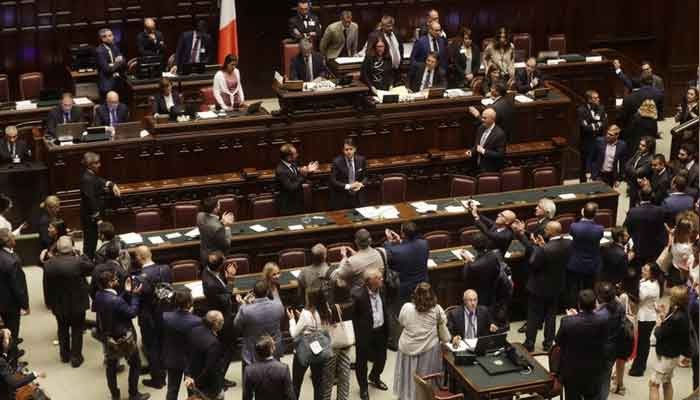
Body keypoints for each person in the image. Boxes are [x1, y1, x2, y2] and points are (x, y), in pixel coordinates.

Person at [513, 221, 571, 351]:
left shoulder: (544, 249)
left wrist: (537, 247)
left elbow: (533, 264)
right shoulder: (568, 243)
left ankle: (529, 343)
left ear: (551, 232)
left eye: (546, 229)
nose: (544, 231)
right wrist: (541, 246)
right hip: (556, 285)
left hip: (538, 287)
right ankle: (548, 343)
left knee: (533, 315)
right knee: (551, 315)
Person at [93, 271, 149, 400]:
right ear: (110, 283)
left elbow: (114, 305)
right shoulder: (116, 300)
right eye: (115, 279)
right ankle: (133, 394)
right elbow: (132, 312)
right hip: (124, 337)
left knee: (111, 367)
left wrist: (126, 292)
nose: (117, 281)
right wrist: (135, 296)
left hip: (108, 337)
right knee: (135, 364)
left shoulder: (99, 295)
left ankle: (115, 395)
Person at [393, 283, 451, 400]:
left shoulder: (406, 308)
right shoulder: (437, 310)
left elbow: (402, 322)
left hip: (407, 349)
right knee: (425, 380)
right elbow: (445, 333)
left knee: (407, 377)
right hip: (428, 352)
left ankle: (406, 396)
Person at [44, 236, 92, 367]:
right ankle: (76, 357)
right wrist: (81, 255)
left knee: (62, 329)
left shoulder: (49, 264)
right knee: (77, 329)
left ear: (57, 249)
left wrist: (49, 303)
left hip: (59, 303)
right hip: (78, 303)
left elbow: (47, 286)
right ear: (72, 248)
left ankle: (64, 356)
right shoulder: (79, 262)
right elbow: (91, 267)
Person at [556, 289, 608, 400]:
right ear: (595, 304)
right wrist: (577, 317)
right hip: (595, 370)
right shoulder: (603, 321)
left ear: (579, 304)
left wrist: (572, 317)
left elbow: (558, 341)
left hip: (572, 371)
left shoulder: (567, 322)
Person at [132, 246, 171, 389]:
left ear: (139, 258)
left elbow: (136, 301)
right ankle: (164, 370)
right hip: (164, 314)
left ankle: (158, 379)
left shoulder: (138, 278)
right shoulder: (165, 269)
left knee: (151, 347)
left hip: (148, 317)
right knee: (162, 343)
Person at [233, 280, 285, 381]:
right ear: (267, 292)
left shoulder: (246, 310)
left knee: (250, 383)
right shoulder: (278, 305)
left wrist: (243, 304)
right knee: (275, 381)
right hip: (273, 349)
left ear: (253, 293)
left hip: (252, 352)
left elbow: (236, 325)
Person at [201, 251, 237, 390]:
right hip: (222, 320)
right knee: (227, 349)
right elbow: (226, 300)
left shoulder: (207, 271)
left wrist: (226, 278)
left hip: (217, 312)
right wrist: (231, 280)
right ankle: (219, 379)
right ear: (220, 266)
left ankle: (219, 377)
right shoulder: (211, 284)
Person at [287, 286, 332, 400]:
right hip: (320, 351)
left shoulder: (305, 314)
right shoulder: (326, 311)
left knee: (296, 383)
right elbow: (321, 328)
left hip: (303, 351)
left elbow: (294, 334)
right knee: (318, 383)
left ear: (310, 299)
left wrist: (292, 320)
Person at [352, 268, 389, 400]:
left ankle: (374, 377)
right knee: (362, 362)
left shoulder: (383, 290)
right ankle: (363, 387)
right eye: (378, 278)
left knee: (382, 358)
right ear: (370, 281)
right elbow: (353, 317)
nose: (382, 279)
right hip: (365, 333)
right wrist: (357, 334)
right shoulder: (358, 295)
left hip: (381, 330)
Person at [649, 286, 691, 400]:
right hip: (673, 354)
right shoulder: (682, 312)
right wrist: (663, 314)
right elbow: (669, 329)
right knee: (667, 382)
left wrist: (658, 322)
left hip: (666, 356)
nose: (669, 297)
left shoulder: (676, 318)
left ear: (675, 299)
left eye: (671, 296)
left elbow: (659, 333)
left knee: (653, 384)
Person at [162, 289, 202, 400]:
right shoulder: (197, 321)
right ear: (189, 303)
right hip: (190, 360)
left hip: (173, 358)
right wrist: (190, 315)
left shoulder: (166, 317)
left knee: (172, 390)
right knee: (192, 391)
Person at [80, 152, 120, 259]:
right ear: (90, 165)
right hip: (90, 218)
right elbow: (90, 200)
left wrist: (111, 184)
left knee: (92, 241)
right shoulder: (86, 179)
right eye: (96, 163)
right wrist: (98, 219)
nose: (99, 165)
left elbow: (98, 180)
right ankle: (87, 264)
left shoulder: (90, 175)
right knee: (90, 244)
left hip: (93, 216)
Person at [565, 203, 604, 308]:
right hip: (592, 264)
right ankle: (588, 309)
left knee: (574, 289)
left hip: (576, 263)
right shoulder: (599, 229)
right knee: (589, 289)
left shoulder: (574, 226)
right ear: (595, 214)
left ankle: (573, 309)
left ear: (582, 212)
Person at [0, 229, 28, 368]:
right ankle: (13, 365)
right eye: (12, 236)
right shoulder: (11, 261)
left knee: (3, 332)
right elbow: (18, 287)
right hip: (10, 305)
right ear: (8, 241)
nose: (15, 237)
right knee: (12, 333)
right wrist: (25, 304)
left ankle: (12, 355)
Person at [383, 222, 429, 306]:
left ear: (403, 234)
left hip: (406, 289)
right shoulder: (424, 244)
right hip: (423, 284)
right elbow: (410, 247)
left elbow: (389, 255)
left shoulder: (396, 251)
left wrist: (389, 241)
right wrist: (401, 241)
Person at [628, 263, 662, 377]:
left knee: (642, 343)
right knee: (643, 342)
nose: (642, 270)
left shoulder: (648, 286)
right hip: (649, 316)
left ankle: (638, 368)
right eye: (643, 268)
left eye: (646, 270)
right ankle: (639, 365)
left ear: (652, 274)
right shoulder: (652, 282)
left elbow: (638, 298)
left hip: (646, 317)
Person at [184, 311, 225, 400]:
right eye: (221, 321)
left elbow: (186, 354)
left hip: (191, 381)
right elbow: (210, 369)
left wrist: (188, 375)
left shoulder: (193, 331)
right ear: (216, 324)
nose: (223, 323)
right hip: (207, 387)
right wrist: (196, 383)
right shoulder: (214, 343)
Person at [595, 281, 626, 400]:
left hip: (600, 349)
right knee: (606, 377)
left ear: (600, 297)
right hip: (614, 346)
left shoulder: (600, 314)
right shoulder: (620, 307)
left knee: (597, 379)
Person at [243, 335, 295, 400]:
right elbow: (290, 396)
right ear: (272, 349)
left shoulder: (249, 370)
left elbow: (247, 396)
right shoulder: (283, 369)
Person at [624, 189, 667, 266]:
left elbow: (627, 228)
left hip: (638, 246)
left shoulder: (633, 211)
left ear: (640, 196)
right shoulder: (660, 211)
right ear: (652, 196)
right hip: (655, 246)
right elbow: (661, 227)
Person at [0, 328, 45, 399]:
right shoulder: (1, 362)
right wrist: (35, 374)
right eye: (7, 338)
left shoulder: (3, 356)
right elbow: (15, 383)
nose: (9, 340)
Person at [275, 143, 319, 215]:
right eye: (295, 154)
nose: (297, 155)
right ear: (288, 157)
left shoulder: (293, 164)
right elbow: (291, 187)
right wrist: (304, 174)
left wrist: (308, 171)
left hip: (298, 204)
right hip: (288, 207)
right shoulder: (281, 170)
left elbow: (299, 179)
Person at [460, 232, 501, 308]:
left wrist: (467, 262)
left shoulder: (472, 267)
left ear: (473, 246)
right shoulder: (494, 256)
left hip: (478, 299)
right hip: (493, 295)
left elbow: (465, 278)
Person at [329, 138, 368, 210]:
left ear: (355, 149)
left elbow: (366, 177)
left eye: (351, 149)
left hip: (358, 197)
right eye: (346, 149)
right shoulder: (336, 162)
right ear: (343, 150)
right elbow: (333, 181)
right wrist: (349, 186)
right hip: (342, 198)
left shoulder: (361, 160)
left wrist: (360, 184)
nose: (349, 152)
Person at [577, 90, 608, 181]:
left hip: (599, 140)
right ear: (589, 100)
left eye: (598, 97)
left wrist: (593, 125)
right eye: (595, 98)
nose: (598, 99)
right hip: (586, 142)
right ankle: (583, 183)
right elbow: (585, 127)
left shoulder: (601, 108)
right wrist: (598, 124)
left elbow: (605, 123)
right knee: (584, 165)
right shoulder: (581, 110)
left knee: (598, 162)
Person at [464, 107, 506, 172]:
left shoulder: (499, 134)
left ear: (492, 119)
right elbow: (477, 145)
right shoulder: (481, 128)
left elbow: (500, 154)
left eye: (485, 118)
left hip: (490, 170)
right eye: (482, 117)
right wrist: (471, 151)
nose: (482, 119)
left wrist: (484, 151)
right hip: (477, 166)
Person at [196, 196, 234, 264]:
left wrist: (221, 222)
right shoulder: (218, 227)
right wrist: (227, 226)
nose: (220, 206)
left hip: (204, 254)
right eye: (219, 205)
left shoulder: (199, 216)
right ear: (215, 209)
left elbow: (210, 226)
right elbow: (226, 244)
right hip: (215, 259)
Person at [365, 16, 403, 80]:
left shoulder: (397, 34)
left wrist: (400, 64)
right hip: (383, 72)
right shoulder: (375, 36)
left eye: (392, 26)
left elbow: (401, 50)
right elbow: (369, 54)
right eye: (388, 26)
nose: (391, 28)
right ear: (382, 26)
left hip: (397, 71)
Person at [624, 136, 655, 207]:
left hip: (640, 188)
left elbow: (637, 173)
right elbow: (627, 165)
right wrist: (631, 168)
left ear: (649, 148)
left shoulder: (650, 159)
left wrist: (630, 168)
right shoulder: (638, 153)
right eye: (640, 144)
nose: (640, 147)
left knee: (638, 207)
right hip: (633, 184)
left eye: (643, 145)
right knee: (631, 205)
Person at [95, 28, 125, 99]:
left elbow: (124, 61)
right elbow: (107, 69)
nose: (109, 38)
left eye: (110, 35)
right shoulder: (99, 51)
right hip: (107, 83)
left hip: (118, 82)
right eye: (105, 36)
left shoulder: (115, 47)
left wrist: (113, 64)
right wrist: (117, 62)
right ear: (102, 38)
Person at [671, 87, 699, 158]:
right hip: (681, 132)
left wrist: (690, 112)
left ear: (696, 97)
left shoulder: (698, 107)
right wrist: (679, 112)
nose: (688, 95)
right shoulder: (684, 105)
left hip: (692, 135)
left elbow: (698, 119)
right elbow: (676, 120)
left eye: (691, 94)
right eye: (688, 93)